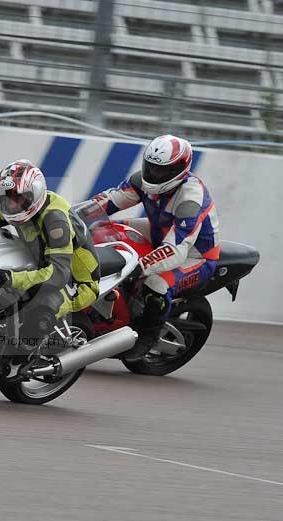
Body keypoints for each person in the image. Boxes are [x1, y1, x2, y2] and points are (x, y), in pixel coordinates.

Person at [92, 134, 220, 361]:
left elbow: (176, 249)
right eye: (151, 167)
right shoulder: (142, 181)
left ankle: (147, 336)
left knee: (156, 283)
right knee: (102, 229)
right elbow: (107, 202)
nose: (154, 173)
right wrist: (69, 217)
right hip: (158, 230)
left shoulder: (191, 198)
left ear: (179, 169)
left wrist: (140, 267)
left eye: (161, 170)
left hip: (194, 253)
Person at [0, 159, 100, 354]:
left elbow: (59, 274)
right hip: (41, 265)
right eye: (6, 199)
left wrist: (12, 278)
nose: (11, 205)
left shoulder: (55, 221)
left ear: (34, 194)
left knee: (40, 311)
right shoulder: (15, 208)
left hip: (74, 280)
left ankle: (23, 356)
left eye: (17, 199)